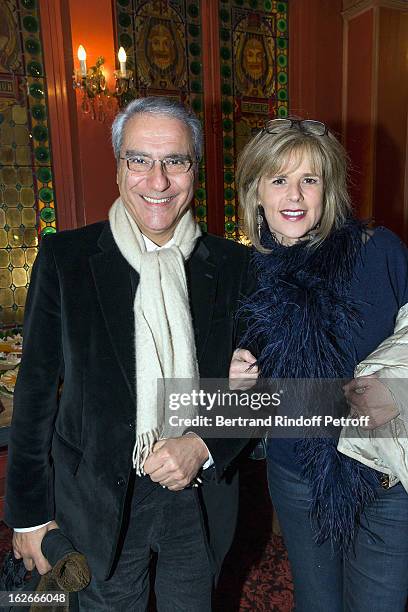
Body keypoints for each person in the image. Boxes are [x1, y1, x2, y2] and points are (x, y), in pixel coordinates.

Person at [5, 97, 252, 611]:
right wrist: (28, 516)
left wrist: (203, 443)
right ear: (118, 167)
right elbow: (34, 398)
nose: (157, 181)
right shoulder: (66, 259)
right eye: (140, 160)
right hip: (96, 502)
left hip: (198, 499)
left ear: (195, 169)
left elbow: (260, 390)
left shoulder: (235, 266)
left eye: (175, 161)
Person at [230, 118, 408, 611]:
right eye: (279, 179)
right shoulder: (245, 273)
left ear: (328, 189)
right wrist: (237, 381)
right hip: (298, 475)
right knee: (317, 603)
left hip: (383, 475)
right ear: (256, 192)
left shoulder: (380, 251)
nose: (295, 195)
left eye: (310, 179)